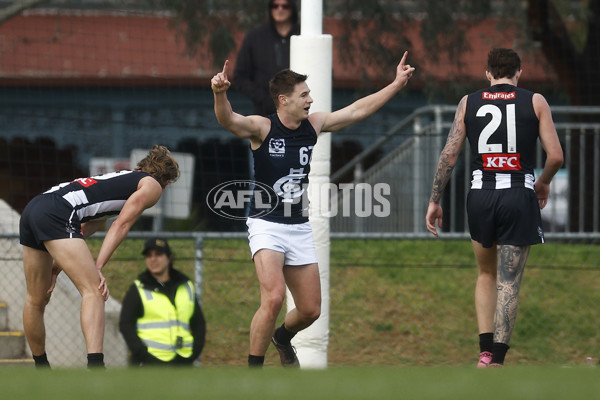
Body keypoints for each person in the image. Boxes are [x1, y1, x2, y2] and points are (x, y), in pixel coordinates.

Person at [211, 52, 415, 367]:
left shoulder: (314, 125)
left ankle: (281, 338)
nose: (310, 99)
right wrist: (219, 93)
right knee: (275, 297)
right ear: (283, 100)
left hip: (299, 226)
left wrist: (396, 84)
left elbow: (358, 110)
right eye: (304, 94)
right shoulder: (262, 128)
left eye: (309, 94)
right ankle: (252, 371)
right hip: (266, 224)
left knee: (310, 310)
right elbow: (228, 119)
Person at [425, 48, 563, 367]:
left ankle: (484, 353)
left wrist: (435, 199)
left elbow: (449, 155)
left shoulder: (468, 101)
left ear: (488, 73)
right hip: (517, 195)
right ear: (520, 72)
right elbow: (556, 156)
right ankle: (498, 361)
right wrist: (542, 182)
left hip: (481, 196)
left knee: (485, 273)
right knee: (508, 280)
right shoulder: (535, 100)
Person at [19, 145, 180, 368]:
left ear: (141, 166)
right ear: (168, 181)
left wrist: (58, 267)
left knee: (36, 299)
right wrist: (98, 267)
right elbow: (121, 225)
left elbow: (85, 226)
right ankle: (96, 366)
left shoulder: (119, 180)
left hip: (35, 208)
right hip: (57, 212)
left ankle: (41, 367)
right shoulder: (152, 186)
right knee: (94, 290)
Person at [119, 237, 206, 366]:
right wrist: (143, 355)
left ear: (169, 258)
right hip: (148, 364)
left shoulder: (186, 286)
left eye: (158, 254)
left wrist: (192, 355)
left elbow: (199, 324)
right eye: (148, 256)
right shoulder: (138, 288)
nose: (153, 259)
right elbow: (126, 325)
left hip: (182, 362)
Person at [234, 0, 300, 116]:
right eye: (275, 6)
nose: (280, 9)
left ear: (292, 8)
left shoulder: (305, 36)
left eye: (285, 6)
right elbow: (240, 77)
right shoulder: (255, 37)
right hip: (264, 115)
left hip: (299, 113)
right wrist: (264, 98)